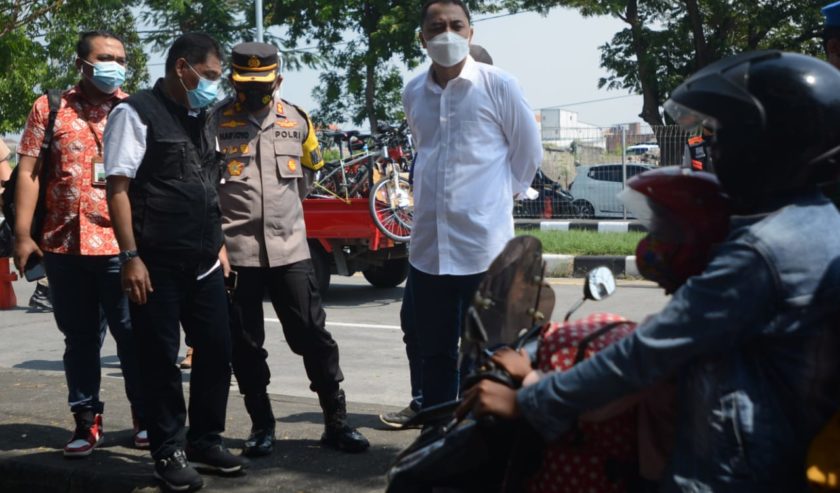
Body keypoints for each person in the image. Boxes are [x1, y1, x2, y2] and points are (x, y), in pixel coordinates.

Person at [460, 51, 840, 492]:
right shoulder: (819, 222)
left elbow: (647, 355)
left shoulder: (762, 251)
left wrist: (528, 399)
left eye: (723, 135)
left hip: (730, 476)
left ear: (769, 143)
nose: (713, 149)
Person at [104, 32, 248, 491]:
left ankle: (206, 439)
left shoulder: (201, 115)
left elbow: (208, 186)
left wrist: (220, 245)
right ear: (181, 67)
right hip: (155, 263)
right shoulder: (134, 113)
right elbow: (118, 189)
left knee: (217, 350)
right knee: (159, 359)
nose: (212, 84)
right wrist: (131, 258)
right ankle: (168, 451)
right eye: (207, 75)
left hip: (204, 259)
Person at [216, 42, 369, 457]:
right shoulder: (214, 124)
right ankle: (262, 426)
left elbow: (306, 176)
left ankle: (336, 423)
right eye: (244, 84)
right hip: (238, 255)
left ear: (278, 80)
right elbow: (205, 192)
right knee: (246, 346)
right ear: (232, 80)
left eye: (261, 84)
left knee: (314, 337)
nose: (252, 92)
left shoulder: (298, 121)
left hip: (292, 253)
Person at [398, 0, 542, 413]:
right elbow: (424, 154)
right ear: (423, 38)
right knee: (435, 354)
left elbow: (527, 155)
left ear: (471, 32)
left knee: (491, 353)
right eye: (437, 27)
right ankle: (437, 436)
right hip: (428, 250)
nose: (447, 34)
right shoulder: (413, 92)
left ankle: (485, 442)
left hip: (485, 250)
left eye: (456, 25)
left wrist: (494, 198)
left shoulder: (500, 85)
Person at [12, 30, 147, 458]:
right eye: (105, 57)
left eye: (121, 59)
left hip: (119, 247)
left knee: (133, 336)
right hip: (64, 246)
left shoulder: (135, 109)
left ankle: (146, 415)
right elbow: (29, 173)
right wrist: (21, 234)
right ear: (81, 64)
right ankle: (86, 420)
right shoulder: (50, 108)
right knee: (80, 339)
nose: (115, 65)